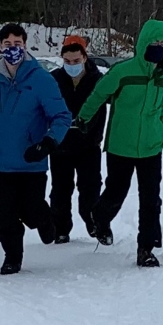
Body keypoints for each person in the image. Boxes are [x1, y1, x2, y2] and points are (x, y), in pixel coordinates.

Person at [0, 23, 72, 275]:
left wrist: (49, 141)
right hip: (2, 160)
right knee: (6, 215)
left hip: (32, 158)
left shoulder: (41, 79)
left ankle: (46, 222)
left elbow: (61, 116)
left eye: (18, 44)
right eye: (7, 44)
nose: (13, 49)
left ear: (25, 46)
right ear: (0, 47)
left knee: (32, 210)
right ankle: (13, 256)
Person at [76, 19, 163, 268]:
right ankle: (100, 217)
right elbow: (99, 93)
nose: (160, 48)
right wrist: (84, 117)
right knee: (116, 192)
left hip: (151, 146)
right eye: (155, 43)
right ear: (144, 43)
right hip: (120, 145)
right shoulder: (123, 71)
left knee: (151, 199)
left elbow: (160, 106)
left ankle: (146, 248)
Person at [50, 36, 106, 244]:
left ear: (84, 57)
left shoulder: (97, 80)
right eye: (68, 61)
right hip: (60, 146)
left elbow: (105, 107)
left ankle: (93, 222)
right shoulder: (54, 79)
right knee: (61, 190)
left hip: (88, 145)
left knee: (90, 189)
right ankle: (61, 228)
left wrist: (94, 134)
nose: (72, 65)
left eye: (76, 61)